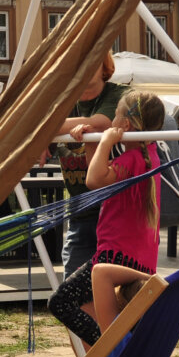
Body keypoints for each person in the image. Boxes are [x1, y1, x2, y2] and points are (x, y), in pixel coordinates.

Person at [48, 91, 164, 347]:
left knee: (61, 302)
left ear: (125, 124)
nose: (112, 121)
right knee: (85, 303)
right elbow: (100, 178)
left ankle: (108, 347)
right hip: (138, 258)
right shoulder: (147, 156)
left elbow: (92, 180)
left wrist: (106, 141)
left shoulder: (131, 159)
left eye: (116, 116)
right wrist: (91, 142)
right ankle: (110, 346)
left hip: (115, 256)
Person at [50, 53, 129, 277]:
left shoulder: (120, 94)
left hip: (118, 212)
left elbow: (103, 123)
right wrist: (44, 139)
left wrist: (49, 128)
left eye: (91, 62)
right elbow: (40, 133)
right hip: (81, 212)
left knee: (117, 286)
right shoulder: (64, 101)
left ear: (104, 67)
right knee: (72, 285)